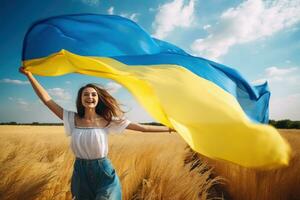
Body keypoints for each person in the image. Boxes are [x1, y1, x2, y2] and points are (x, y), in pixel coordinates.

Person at [19, 66, 174, 200]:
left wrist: (169, 128)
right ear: (80, 99)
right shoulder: (72, 118)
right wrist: (30, 75)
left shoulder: (108, 120)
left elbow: (143, 128)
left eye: (93, 94)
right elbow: (47, 100)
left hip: (103, 171)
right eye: (85, 94)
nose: (90, 97)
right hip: (80, 172)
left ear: (98, 99)